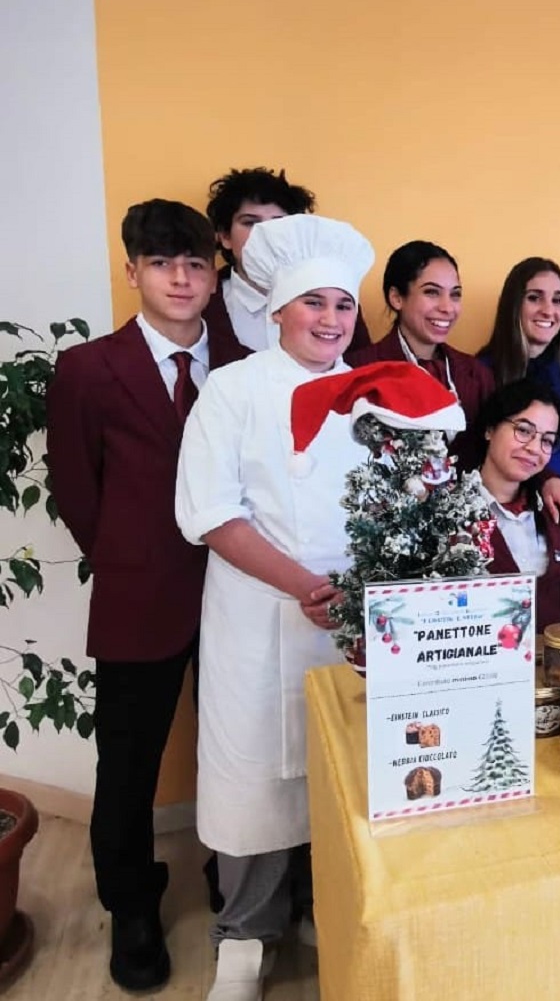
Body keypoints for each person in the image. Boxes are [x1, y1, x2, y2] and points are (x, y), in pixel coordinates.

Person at [45, 199, 247, 992]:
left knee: (235, 744)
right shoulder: (89, 369)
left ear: (213, 273)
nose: (181, 278)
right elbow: (76, 492)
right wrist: (130, 557)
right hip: (138, 597)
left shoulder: (237, 363)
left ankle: (232, 881)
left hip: (235, 590)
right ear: (132, 270)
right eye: (162, 263)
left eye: (196, 263)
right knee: (128, 762)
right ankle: (130, 906)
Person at [175, 214, 376, 1000]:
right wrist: (302, 586)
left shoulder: (369, 395)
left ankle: (331, 908)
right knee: (254, 779)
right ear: (278, 312)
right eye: (314, 304)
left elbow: (394, 506)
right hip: (258, 616)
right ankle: (245, 936)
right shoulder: (231, 390)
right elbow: (211, 514)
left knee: (341, 775)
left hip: (348, 623)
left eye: (342, 306)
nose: (330, 320)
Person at [348, 241, 560, 534]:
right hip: (382, 532)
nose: (447, 307)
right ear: (396, 297)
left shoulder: (473, 373)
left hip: (463, 532)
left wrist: (548, 478)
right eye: (432, 292)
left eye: (455, 294)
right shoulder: (360, 369)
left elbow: (501, 445)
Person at [203, 166, 370, 356]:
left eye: (278, 223)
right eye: (250, 222)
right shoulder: (203, 301)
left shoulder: (336, 299)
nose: (266, 233)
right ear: (225, 236)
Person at [476, 378, 560, 629]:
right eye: (524, 430)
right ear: (490, 429)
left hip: (554, 663)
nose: (534, 448)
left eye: (547, 440)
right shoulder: (449, 513)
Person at [477, 257, 560, 492]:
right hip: (493, 509)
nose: (548, 310)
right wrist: (547, 479)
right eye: (534, 298)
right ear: (513, 304)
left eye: (558, 300)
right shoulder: (478, 372)